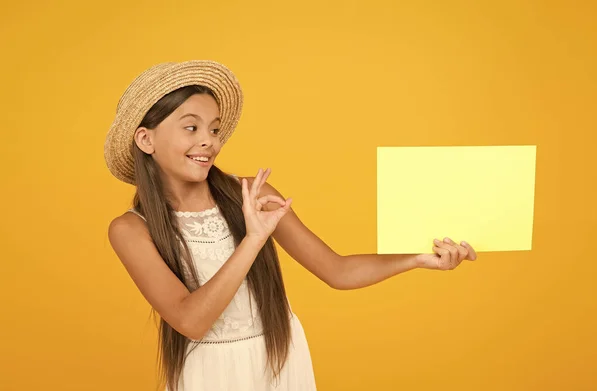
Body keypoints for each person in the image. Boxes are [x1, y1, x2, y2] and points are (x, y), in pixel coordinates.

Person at [104, 60, 478, 391]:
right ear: (146, 139)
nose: (209, 141)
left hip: (279, 360)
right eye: (191, 127)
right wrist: (252, 239)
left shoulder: (253, 194)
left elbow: (338, 270)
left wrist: (417, 259)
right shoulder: (131, 230)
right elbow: (191, 320)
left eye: (215, 130)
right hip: (209, 374)